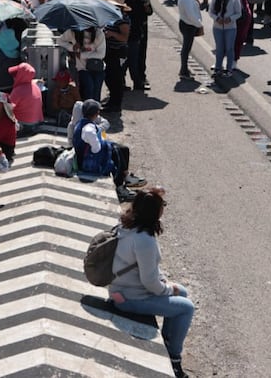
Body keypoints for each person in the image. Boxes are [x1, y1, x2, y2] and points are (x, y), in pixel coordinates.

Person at [108, 186, 195, 378]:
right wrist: (168, 289)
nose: (164, 208)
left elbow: (146, 270)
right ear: (154, 212)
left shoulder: (126, 225)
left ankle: (169, 342)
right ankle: (174, 359)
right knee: (187, 308)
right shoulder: (144, 240)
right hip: (129, 298)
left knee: (182, 292)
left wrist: (166, 283)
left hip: (120, 290)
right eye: (162, 205)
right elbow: (149, 282)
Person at [71, 99, 144, 202]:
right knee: (116, 152)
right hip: (88, 161)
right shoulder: (88, 128)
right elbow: (96, 149)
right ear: (97, 113)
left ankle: (126, 177)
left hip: (85, 156)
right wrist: (106, 146)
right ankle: (120, 186)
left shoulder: (81, 123)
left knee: (123, 149)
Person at [58, 25, 106, 102]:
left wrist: (82, 55)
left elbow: (101, 54)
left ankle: (95, 108)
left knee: (96, 94)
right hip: (82, 68)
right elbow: (60, 41)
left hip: (97, 68)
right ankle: (87, 108)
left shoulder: (99, 33)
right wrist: (72, 47)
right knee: (89, 89)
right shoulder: (72, 31)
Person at [209, 0, 241, 76]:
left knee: (229, 48)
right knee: (219, 48)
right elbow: (211, 12)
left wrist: (230, 19)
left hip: (230, 28)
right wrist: (217, 18)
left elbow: (238, 13)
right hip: (217, 27)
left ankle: (229, 68)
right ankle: (218, 67)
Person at [124, 0, 152, 91]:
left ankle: (140, 79)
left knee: (139, 56)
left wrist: (146, 6)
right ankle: (122, 82)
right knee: (125, 59)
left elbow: (149, 12)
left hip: (138, 32)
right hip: (126, 33)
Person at [177, 0, 202, 79]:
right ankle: (183, 70)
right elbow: (191, 15)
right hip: (188, 25)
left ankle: (185, 69)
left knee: (186, 48)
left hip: (187, 24)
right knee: (186, 49)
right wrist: (199, 24)